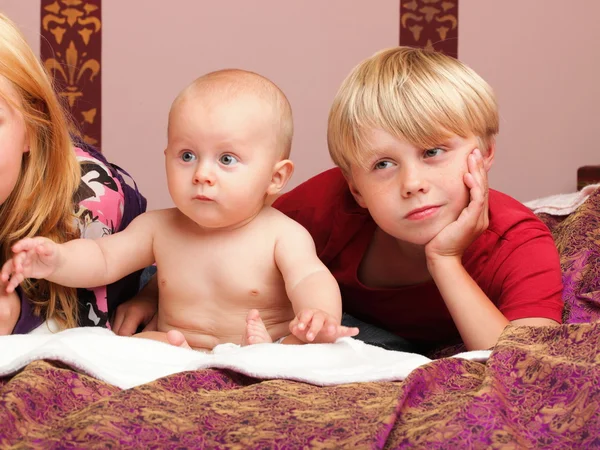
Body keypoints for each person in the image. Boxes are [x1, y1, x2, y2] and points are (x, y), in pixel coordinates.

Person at [111, 47, 564, 354]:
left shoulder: (519, 242)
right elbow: (218, 244)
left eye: (433, 152)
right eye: (382, 165)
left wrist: (444, 258)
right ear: (355, 188)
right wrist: (153, 291)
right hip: (330, 324)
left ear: (483, 154)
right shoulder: (325, 206)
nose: (412, 182)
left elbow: (521, 365)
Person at [2, 69, 359, 351]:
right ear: (167, 157)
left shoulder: (281, 235)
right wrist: (56, 260)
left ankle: (278, 354)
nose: (202, 174)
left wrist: (319, 316)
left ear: (275, 176)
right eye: (187, 156)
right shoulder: (159, 227)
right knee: (122, 348)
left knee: (304, 350)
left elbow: (310, 279)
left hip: (261, 349)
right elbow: (102, 257)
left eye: (227, 159)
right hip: (176, 351)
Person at [0, 12, 145, 335]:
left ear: (31, 129)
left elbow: (83, 328)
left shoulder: (86, 199)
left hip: (109, 285)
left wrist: (15, 314)